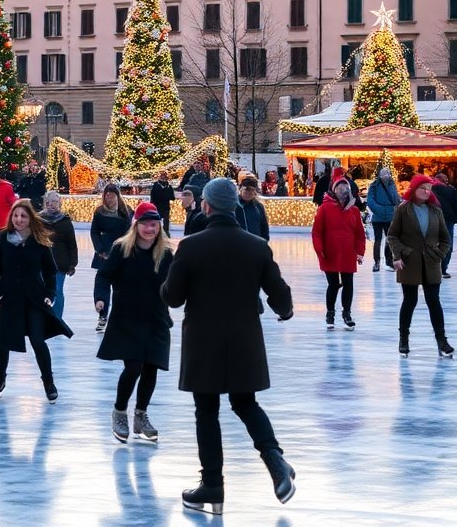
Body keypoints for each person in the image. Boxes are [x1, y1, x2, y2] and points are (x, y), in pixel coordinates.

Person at [161, 177, 295, 515]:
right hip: (243, 338)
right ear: (234, 205)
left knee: (206, 411)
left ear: (206, 206)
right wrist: (285, 310)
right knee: (246, 403)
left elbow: (173, 298)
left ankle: (213, 485)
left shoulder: (191, 246)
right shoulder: (255, 245)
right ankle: (276, 462)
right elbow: (279, 292)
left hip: (203, 340)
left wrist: (164, 282)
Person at [95, 202, 174, 444]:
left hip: (157, 318)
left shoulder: (166, 252)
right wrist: (100, 299)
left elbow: (176, 282)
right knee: (134, 366)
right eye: (145, 224)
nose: (150, 229)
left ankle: (141, 415)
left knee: (151, 367)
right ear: (136, 225)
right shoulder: (122, 249)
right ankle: (120, 412)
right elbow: (104, 274)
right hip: (127, 317)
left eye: (154, 224)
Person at [0, 199, 73, 403]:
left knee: (37, 340)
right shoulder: (4, 239)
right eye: (16, 216)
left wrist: (50, 294)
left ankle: (49, 382)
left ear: (30, 218)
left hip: (34, 299)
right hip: (9, 299)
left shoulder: (39, 241)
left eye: (23, 216)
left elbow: (51, 271)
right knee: (2, 342)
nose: (19, 219)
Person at [385, 174, 454, 358]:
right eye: (422, 188)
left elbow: (445, 239)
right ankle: (404, 338)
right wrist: (399, 254)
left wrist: (439, 254)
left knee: (434, 301)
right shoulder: (403, 210)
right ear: (414, 189)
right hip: (410, 262)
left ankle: (442, 340)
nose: (426, 192)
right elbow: (392, 235)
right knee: (410, 301)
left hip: (431, 263)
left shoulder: (435, 211)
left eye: (429, 189)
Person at [311, 170, 366, 331]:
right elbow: (317, 232)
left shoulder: (353, 210)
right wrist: (319, 250)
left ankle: (347, 313)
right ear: (334, 190)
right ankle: (330, 313)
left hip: (348, 253)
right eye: (339, 188)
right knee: (333, 284)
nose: (343, 192)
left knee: (348, 283)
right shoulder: (325, 208)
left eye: (345, 188)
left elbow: (359, 234)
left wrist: (360, 252)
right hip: (330, 252)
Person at [90, 184, 132, 333]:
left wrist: (122, 250)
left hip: (120, 253)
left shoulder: (125, 212)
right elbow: (94, 232)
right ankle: (102, 315)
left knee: (120, 288)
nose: (109, 198)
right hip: (103, 253)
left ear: (117, 196)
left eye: (112, 195)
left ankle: (119, 318)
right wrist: (100, 249)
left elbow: (128, 233)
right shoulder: (99, 212)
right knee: (102, 284)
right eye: (107, 195)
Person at [39, 190, 77, 319]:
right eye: (49, 202)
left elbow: (72, 243)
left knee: (57, 291)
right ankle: (43, 316)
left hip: (59, 263)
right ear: (45, 203)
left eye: (55, 202)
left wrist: (72, 264)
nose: (52, 205)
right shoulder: (38, 220)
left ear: (59, 203)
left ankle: (57, 318)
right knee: (41, 290)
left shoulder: (65, 221)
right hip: (41, 262)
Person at [367, 167, 401, 273]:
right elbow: (370, 200)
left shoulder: (392, 185)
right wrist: (380, 210)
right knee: (378, 240)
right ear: (379, 175)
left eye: (387, 174)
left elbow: (395, 199)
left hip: (390, 216)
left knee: (389, 239)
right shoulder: (374, 185)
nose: (385, 176)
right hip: (378, 217)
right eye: (383, 174)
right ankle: (376, 262)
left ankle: (388, 260)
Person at [431, 174, 457, 280]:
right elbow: (456, 206)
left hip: (433, 220)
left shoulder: (429, 189)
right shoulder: (451, 191)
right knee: (447, 243)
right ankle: (443, 268)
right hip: (448, 220)